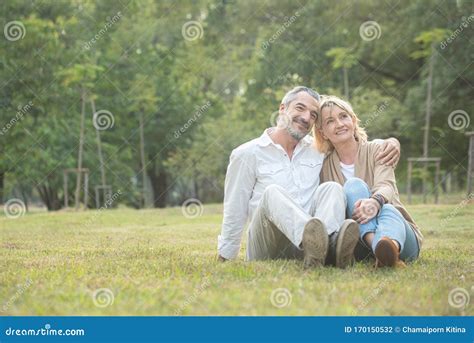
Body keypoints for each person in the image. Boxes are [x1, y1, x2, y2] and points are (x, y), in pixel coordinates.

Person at [217, 86, 401, 269]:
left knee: (332, 188)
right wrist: (226, 255)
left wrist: (391, 143)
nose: (306, 117)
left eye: (313, 115)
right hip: (267, 245)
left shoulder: (316, 151)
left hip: (309, 249)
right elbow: (235, 208)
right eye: (299, 108)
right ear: (282, 108)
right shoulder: (247, 153)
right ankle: (322, 245)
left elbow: (349, 143)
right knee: (272, 193)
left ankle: (328, 247)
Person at [314, 95, 422, 267]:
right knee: (353, 186)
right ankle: (381, 251)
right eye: (330, 121)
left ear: (353, 121)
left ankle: (389, 248)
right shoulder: (322, 166)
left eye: (343, 116)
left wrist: (375, 202)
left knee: (387, 208)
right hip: (359, 244)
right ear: (323, 133)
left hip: (401, 235)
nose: (340, 124)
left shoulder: (378, 149)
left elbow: (387, 186)